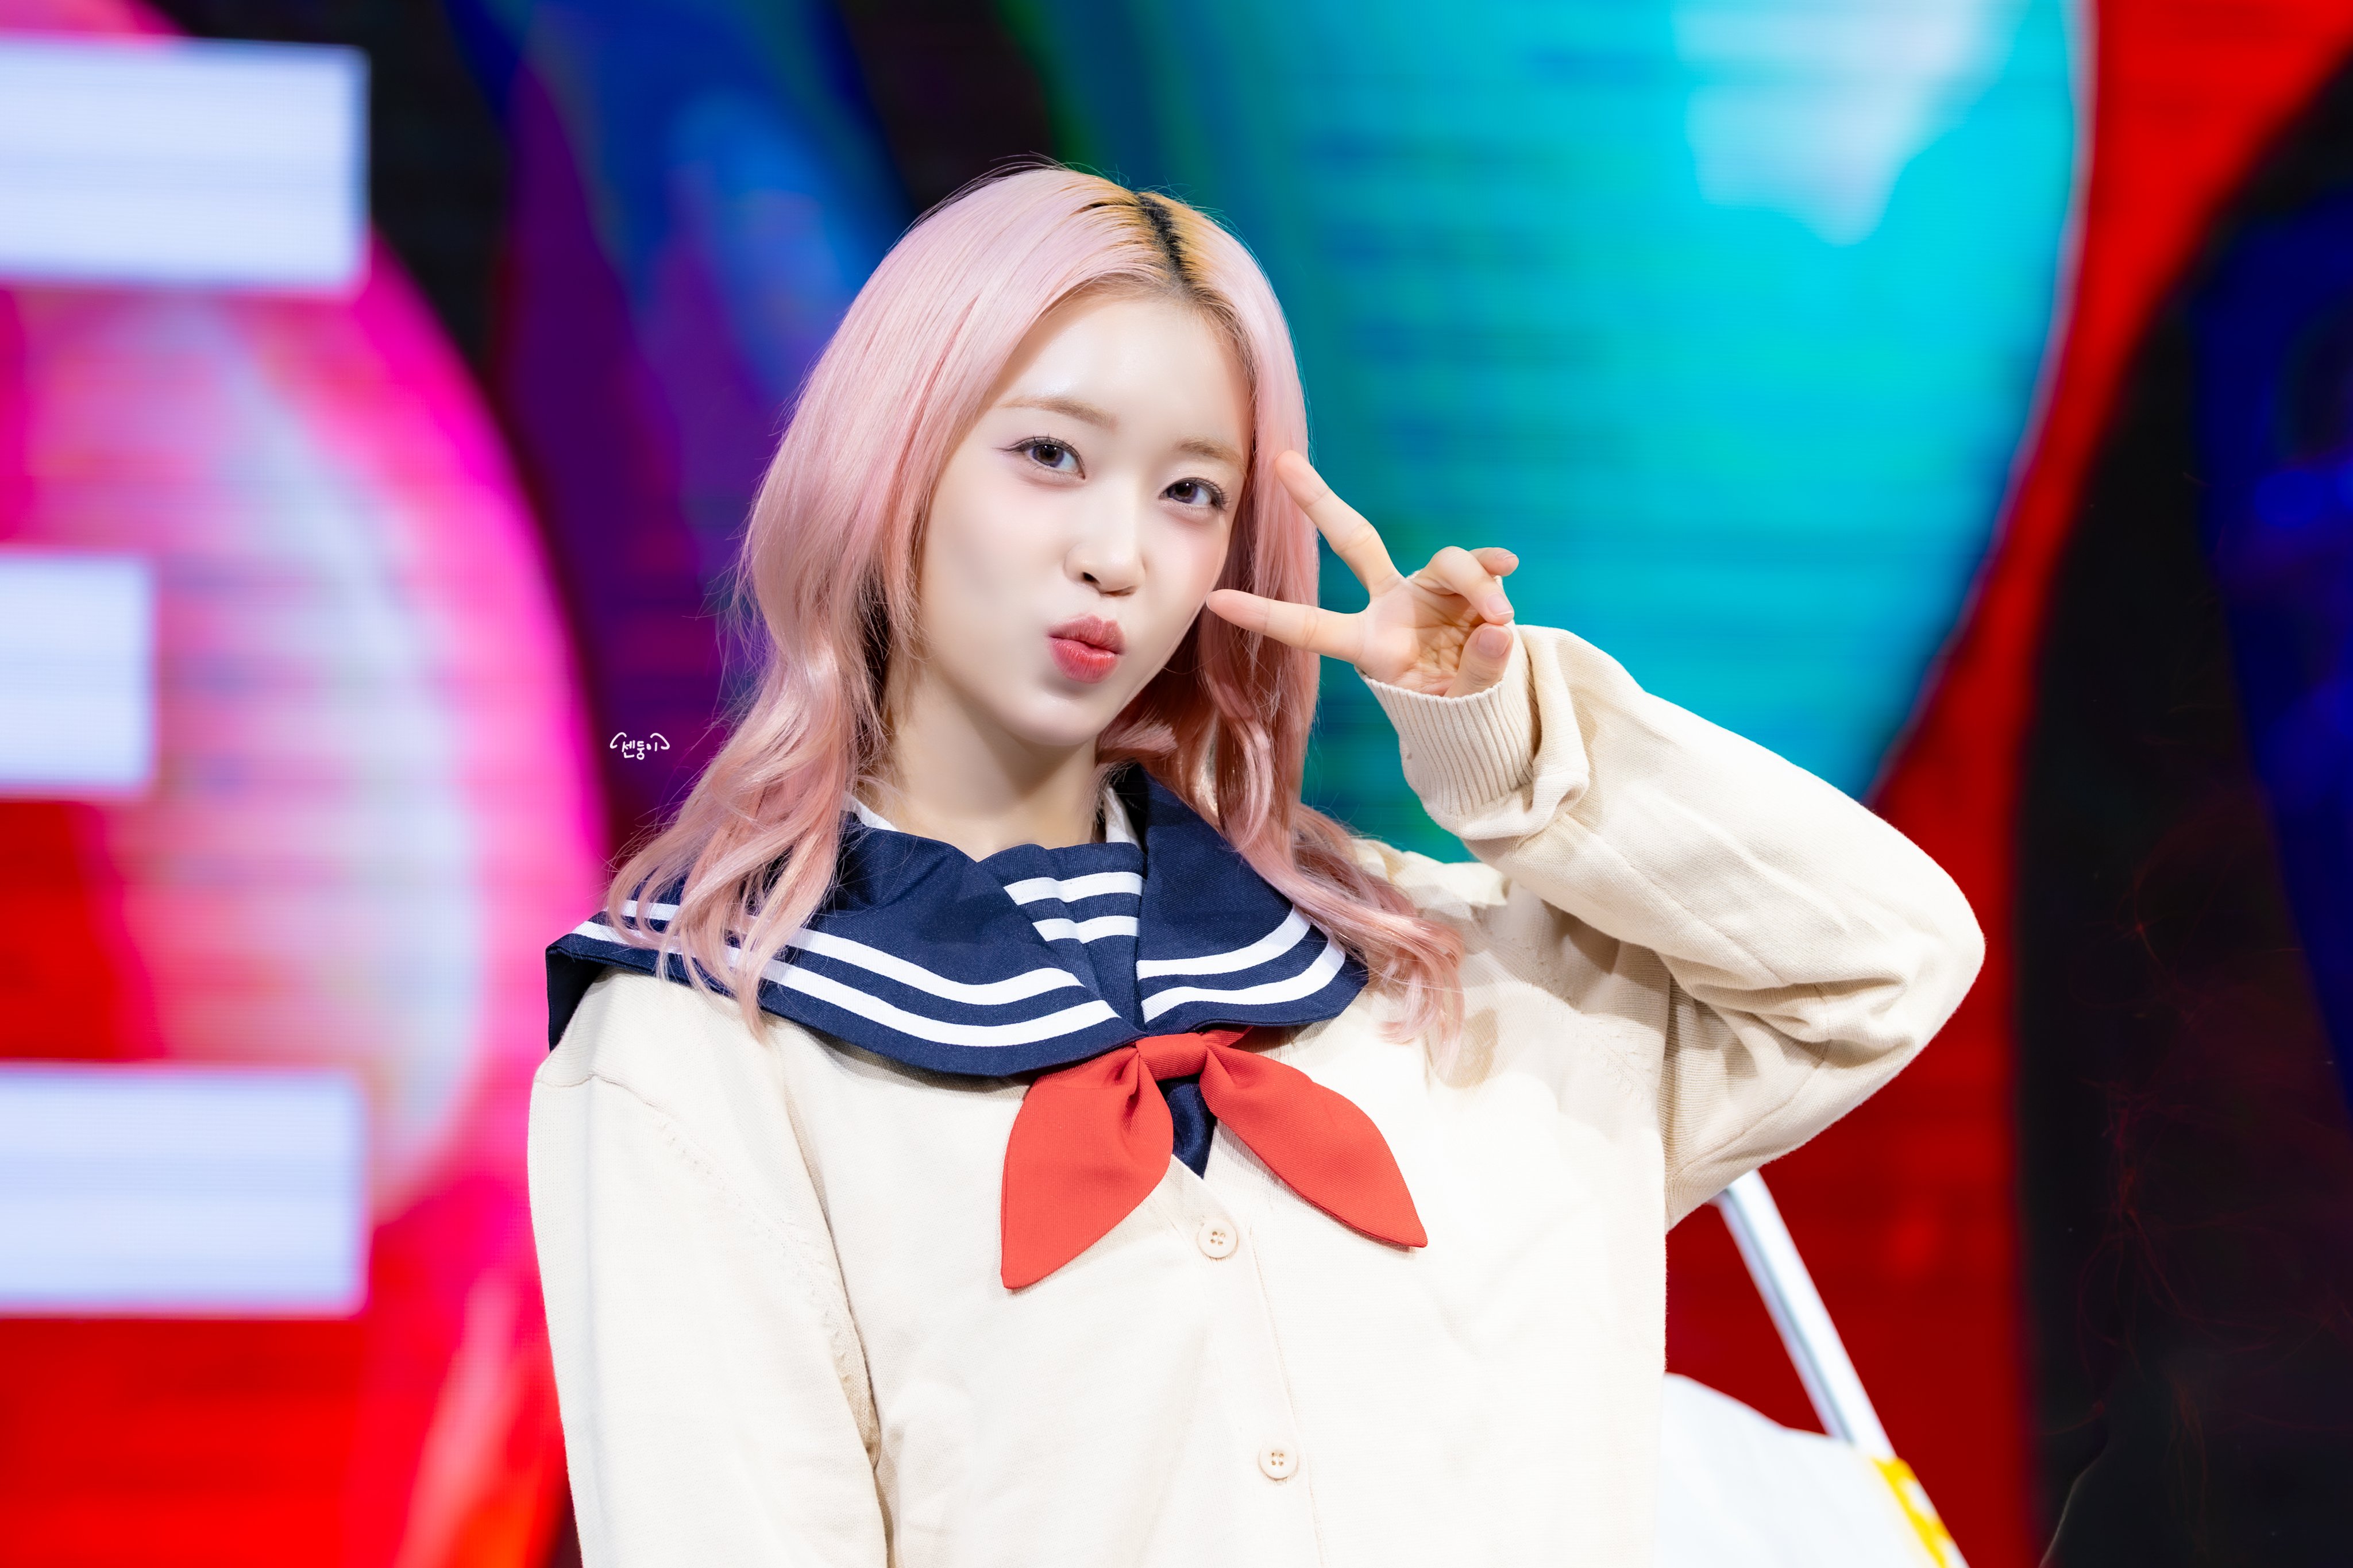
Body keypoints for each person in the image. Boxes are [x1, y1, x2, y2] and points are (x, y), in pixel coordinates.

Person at [529, 167, 1983, 1567]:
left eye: (1190, 492)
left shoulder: (1438, 976)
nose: (1117, 554)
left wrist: (1499, 740)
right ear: (889, 462)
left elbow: (1879, 959)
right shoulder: (701, 1049)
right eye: (1049, 456)